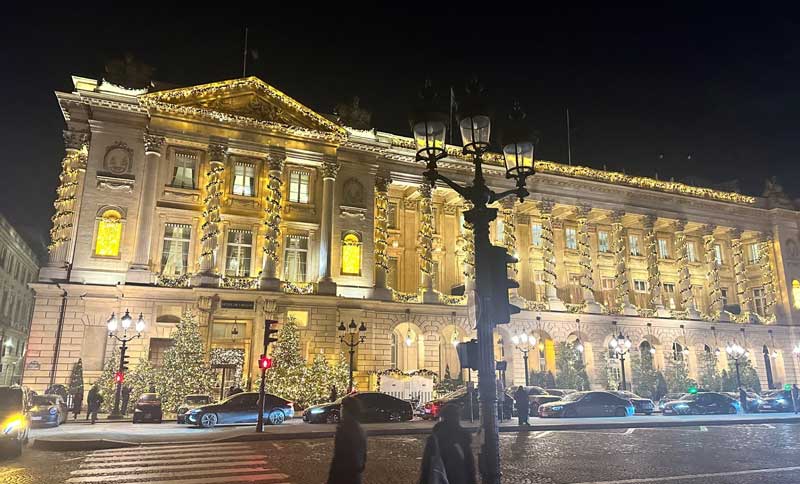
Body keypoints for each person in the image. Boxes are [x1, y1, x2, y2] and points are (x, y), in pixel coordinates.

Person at [419, 404, 477, 484]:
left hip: (440, 478)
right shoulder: (462, 437)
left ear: (443, 417)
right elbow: (470, 465)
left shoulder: (435, 438)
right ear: (458, 417)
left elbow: (426, 466)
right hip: (461, 478)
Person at [327, 397, 367, 484]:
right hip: (355, 475)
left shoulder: (345, 429)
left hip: (345, 476)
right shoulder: (359, 428)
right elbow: (363, 456)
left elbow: (339, 457)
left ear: (347, 410)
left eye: (342, 407)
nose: (340, 410)